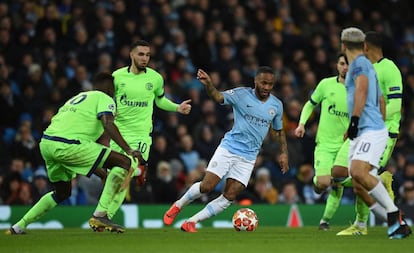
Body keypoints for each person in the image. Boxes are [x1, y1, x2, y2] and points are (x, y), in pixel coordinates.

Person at [6, 72, 142, 235]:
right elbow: (108, 123)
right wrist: (128, 149)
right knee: (125, 162)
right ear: (110, 88)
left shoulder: (78, 98)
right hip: (69, 145)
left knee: (62, 193)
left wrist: (101, 174)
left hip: (47, 143)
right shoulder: (104, 98)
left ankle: (18, 226)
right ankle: (101, 215)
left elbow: (81, 155)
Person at [163, 66, 289, 232]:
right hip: (229, 148)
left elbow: (279, 131)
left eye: (270, 84)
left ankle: (191, 222)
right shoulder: (241, 94)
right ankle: (178, 205)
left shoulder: (276, 105)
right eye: (264, 83)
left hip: (249, 157)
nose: (267, 87)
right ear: (255, 81)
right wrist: (209, 84)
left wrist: (284, 153)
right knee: (207, 186)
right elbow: (217, 96)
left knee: (230, 196)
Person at [90, 40, 192, 228]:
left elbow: (159, 100)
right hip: (119, 134)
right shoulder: (117, 77)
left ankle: (101, 215)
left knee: (124, 170)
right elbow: (105, 100)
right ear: (131, 55)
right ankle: (104, 217)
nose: (145, 58)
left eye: (147, 55)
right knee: (120, 173)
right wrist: (111, 111)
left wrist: (177, 107)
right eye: (141, 54)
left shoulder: (155, 78)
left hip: (141, 136)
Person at [340, 27, 411, 239]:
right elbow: (379, 98)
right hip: (366, 129)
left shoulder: (379, 67)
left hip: (378, 130)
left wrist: (363, 122)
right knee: (356, 181)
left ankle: (389, 215)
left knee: (360, 174)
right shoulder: (368, 67)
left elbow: (394, 105)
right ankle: (396, 224)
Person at [294, 53, 349, 230]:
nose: (345, 67)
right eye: (342, 63)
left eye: (348, 64)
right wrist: (301, 124)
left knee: (339, 180)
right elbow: (311, 104)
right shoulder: (326, 84)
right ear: (337, 65)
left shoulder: (359, 90)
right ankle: (318, 185)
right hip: (324, 144)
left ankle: (324, 221)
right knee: (324, 183)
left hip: (345, 144)